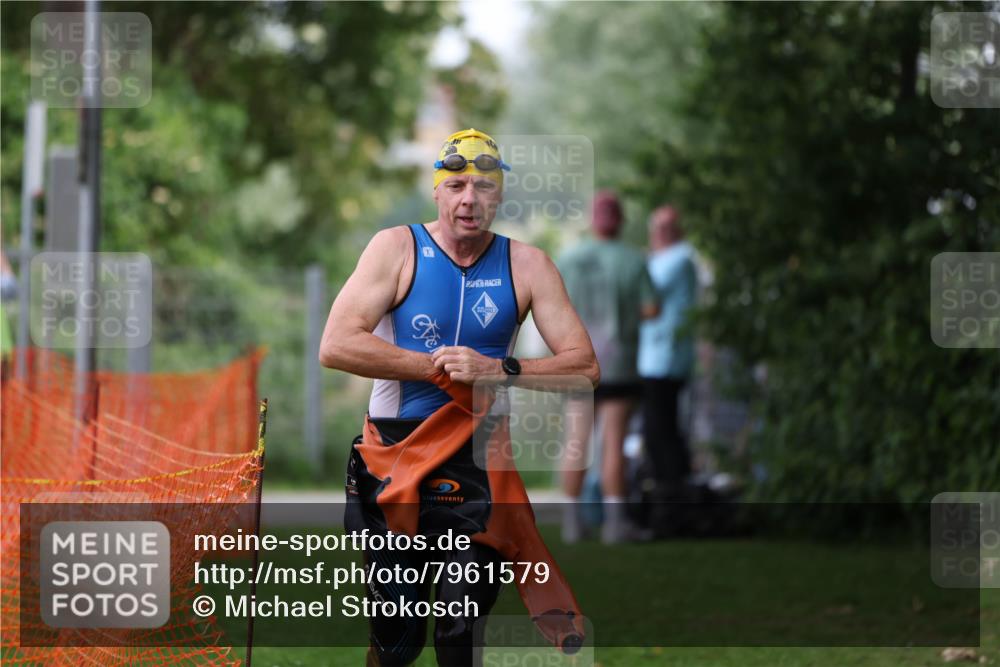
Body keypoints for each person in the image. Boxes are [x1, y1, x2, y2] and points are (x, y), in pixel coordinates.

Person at [319, 128, 598, 667]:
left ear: (499, 195)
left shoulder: (529, 264)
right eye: (457, 186)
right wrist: (441, 369)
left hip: (479, 464)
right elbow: (336, 345)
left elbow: (584, 367)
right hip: (395, 460)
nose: (469, 198)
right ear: (437, 191)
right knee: (396, 641)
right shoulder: (396, 247)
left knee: (458, 628)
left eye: (483, 186)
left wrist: (497, 368)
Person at [556, 192, 658, 543]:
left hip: (575, 361)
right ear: (621, 221)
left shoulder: (568, 258)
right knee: (614, 441)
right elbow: (652, 309)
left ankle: (572, 524)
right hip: (620, 363)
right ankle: (615, 525)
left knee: (576, 440)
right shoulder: (633, 261)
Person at [638, 205, 697, 497]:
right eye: (658, 226)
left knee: (661, 430)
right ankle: (669, 490)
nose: (661, 233)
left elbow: (645, 290)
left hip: (665, 359)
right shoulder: (666, 259)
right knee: (659, 428)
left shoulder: (678, 259)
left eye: (667, 227)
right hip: (657, 358)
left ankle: (671, 491)